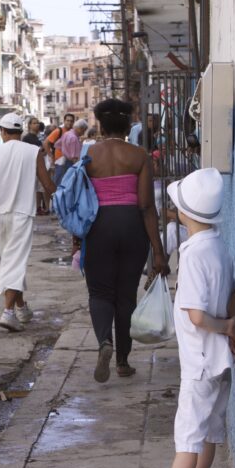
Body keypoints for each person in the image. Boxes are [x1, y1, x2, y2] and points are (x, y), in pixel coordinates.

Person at [113, 167, 235, 468]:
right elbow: (230, 293)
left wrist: (224, 327)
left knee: (187, 437)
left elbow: (197, 316)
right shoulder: (218, 244)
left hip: (199, 361)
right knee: (210, 433)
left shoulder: (196, 254)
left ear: (184, 214)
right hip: (219, 361)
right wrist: (229, 327)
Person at [82, 99, 169, 382]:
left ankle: (104, 342)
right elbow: (146, 206)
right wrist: (158, 250)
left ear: (101, 125)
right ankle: (122, 361)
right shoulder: (139, 155)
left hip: (99, 227)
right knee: (126, 295)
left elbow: (81, 202)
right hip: (132, 226)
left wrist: (76, 239)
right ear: (128, 125)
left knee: (99, 292)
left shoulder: (89, 155)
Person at [0, 113, 56, 332]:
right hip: (22, 213)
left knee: (11, 259)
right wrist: (64, 200)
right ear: (21, 131)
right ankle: (8, 312)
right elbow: (46, 183)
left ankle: (21, 307)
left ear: (2, 131)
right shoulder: (33, 151)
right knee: (14, 262)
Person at [43, 113, 75, 187]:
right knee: (58, 184)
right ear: (64, 121)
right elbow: (45, 143)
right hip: (60, 162)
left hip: (70, 161)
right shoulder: (59, 131)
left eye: (71, 121)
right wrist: (51, 156)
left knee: (68, 184)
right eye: (68, 120)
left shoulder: (73, 132)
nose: (69, 122)